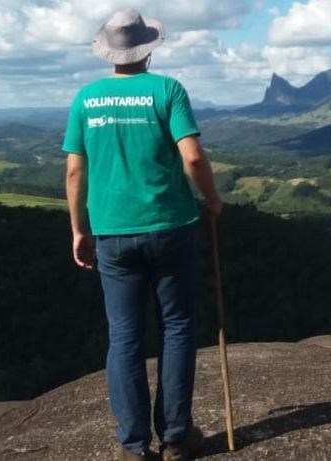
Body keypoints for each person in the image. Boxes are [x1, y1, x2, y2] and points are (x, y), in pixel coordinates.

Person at [62, 8, 222, 461]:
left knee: (125, 337)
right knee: (176, 328)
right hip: (171, 226)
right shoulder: (167, 89)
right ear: (148, 49)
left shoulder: (85, 98)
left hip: (111, 233)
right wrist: (212, 199)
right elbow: (192, 158)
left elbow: (75, 169)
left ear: (109, 51)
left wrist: (79, 228)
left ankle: (134, 446)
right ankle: (175, 437)